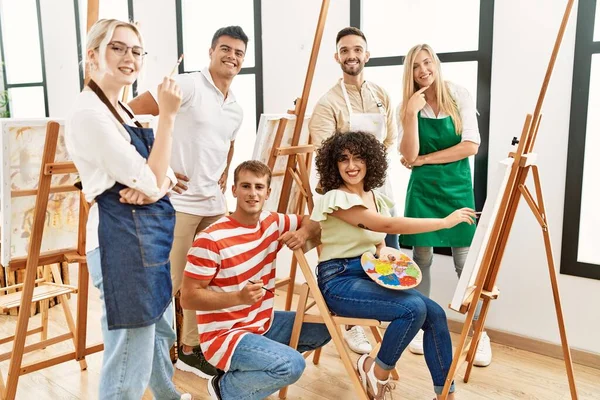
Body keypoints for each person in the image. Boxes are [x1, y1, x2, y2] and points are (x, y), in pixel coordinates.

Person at [65, 19, 190, 399]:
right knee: (128, 356)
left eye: (136, 51)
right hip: (118, 240)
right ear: (93, 55)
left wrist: (154, 186)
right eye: (118, 48)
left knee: (157, 334)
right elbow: (155, 179)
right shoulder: (90, 114)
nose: (129, 57)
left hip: (145, 238)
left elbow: (162, 175)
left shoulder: (124, 111)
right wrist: (168, 117)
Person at [312, 131, 475, 399]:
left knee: (434, 313)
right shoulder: (335, 198)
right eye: (343, 159)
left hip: (368, 273)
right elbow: (384, 225)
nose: (351, 166)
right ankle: (376, 372)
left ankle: (445, 394)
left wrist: (382, 248)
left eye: (357, 158)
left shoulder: (375, 196)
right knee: (411, 309)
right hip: (339, 281)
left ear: (370, 161)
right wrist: (444, 222)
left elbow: (376, 237)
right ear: (334, 164)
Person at [131, 25, 249, 378]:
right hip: (179, 205)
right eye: (225, 49)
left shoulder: (235, 109)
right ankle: (147, 354)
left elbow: (225, 144)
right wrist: (156, 168)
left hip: (214, 207)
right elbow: (131, 114)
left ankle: (191, 349)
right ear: (211, 52)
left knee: (207, 285)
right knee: (168, 284)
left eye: (239, 52)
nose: (232, 56)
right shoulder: (189, 84)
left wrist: (224, 173)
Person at [181, 160, 331, 400]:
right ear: (234, 190)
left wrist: (302, 234)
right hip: (224, 337)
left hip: (263, 324)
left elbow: (310, 220)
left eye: (259, 187)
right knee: (291, 365)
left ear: (268, 192)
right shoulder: (210, 239)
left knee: (324, 326)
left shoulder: (271, 222)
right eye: (246, 186)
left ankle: (255, 369)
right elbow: (188, 298)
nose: (253, 193)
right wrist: (238, 298)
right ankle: (225, 388)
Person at [397, 43, 491, 367]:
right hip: (422, 192)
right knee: (420, 259)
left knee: (465, 264)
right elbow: (408, 156)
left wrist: (426, 159)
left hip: (457, 189)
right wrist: (410, 113)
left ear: (435, 64)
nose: (423, 71)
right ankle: (424, 329)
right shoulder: (409, 106)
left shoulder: (458, 95)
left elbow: (470, 145)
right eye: (416, 67)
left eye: (427, 63)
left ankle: (478, 334)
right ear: (410, 73)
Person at [308, 26, 398, 355]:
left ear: (366, 54)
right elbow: (324, 157)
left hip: (378, 187)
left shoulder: (381, 95)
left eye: (357, 49)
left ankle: (388, 312)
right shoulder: (327, 103)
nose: (352, 56)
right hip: (345, 195)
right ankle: (352, 323)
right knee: (350, 259)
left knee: (387, 251)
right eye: (345, 50)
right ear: (337, 57)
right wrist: (351, 187)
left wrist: (372, 176)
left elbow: (389, 139)